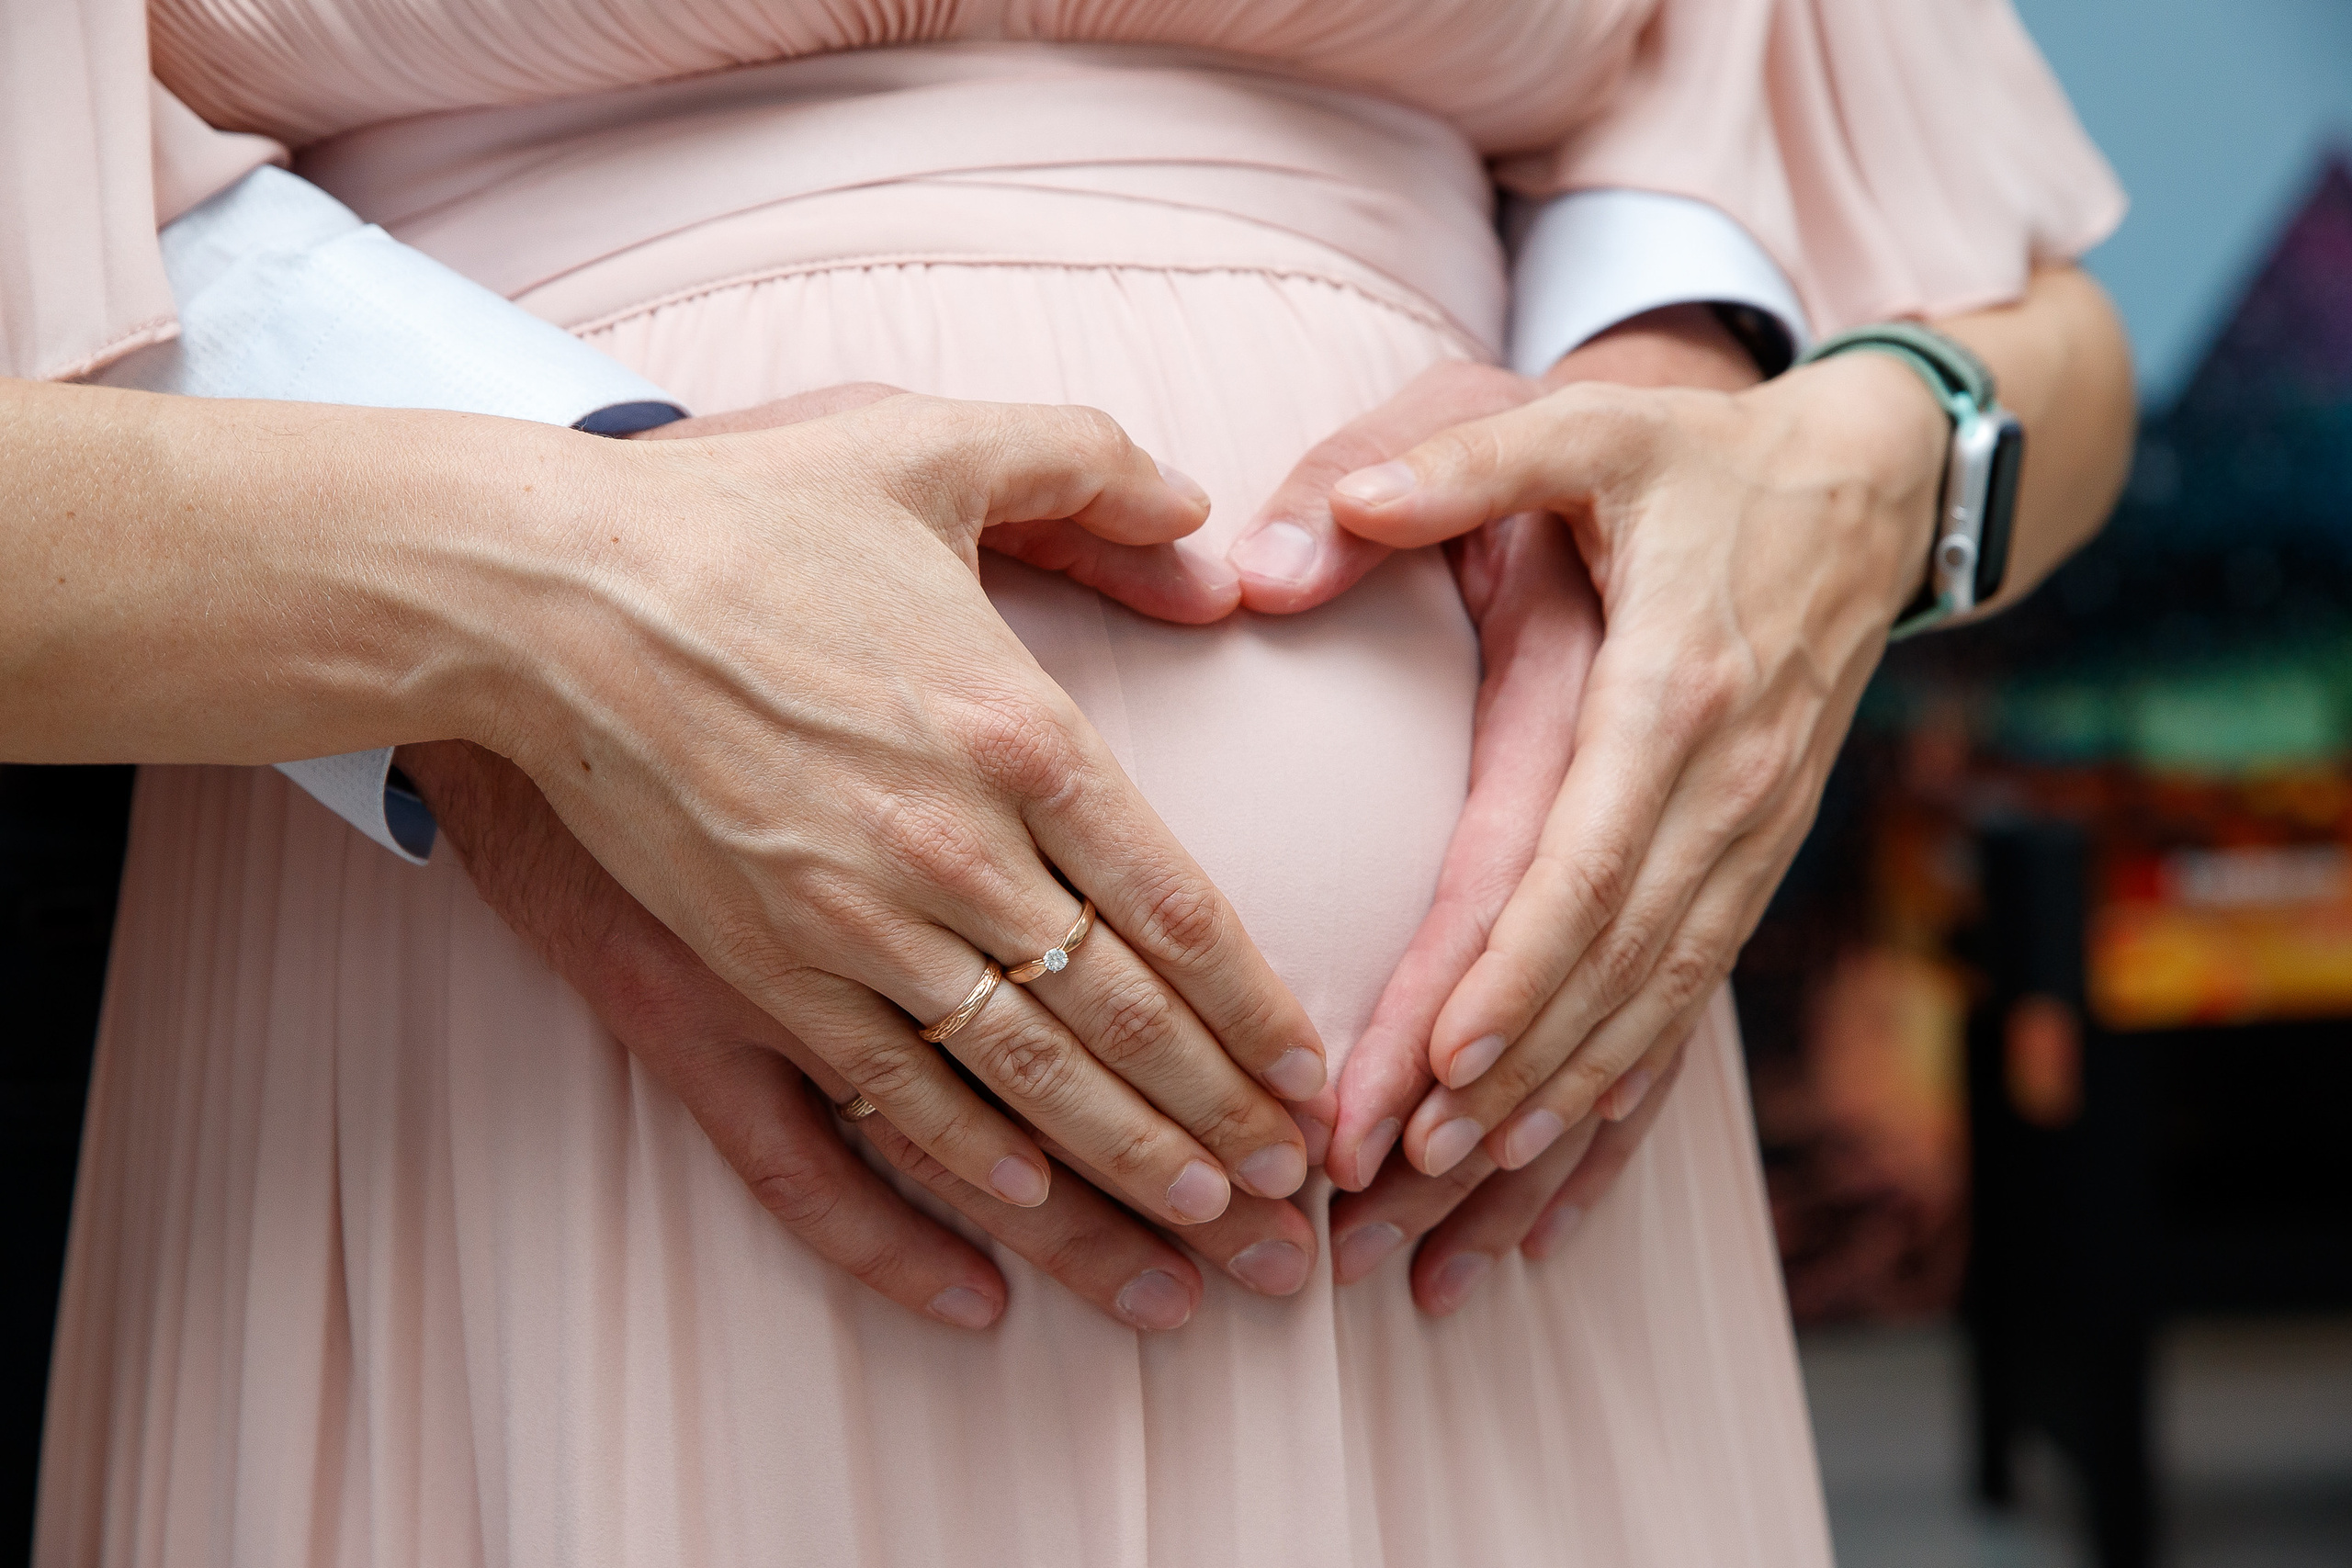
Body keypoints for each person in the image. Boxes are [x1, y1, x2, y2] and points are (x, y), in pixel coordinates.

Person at [6, 2, 2134, 1563]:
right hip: (513, 1132)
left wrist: (1830, 468)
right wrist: (527, 601)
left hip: (1508, 1253)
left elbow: (2028, 336)